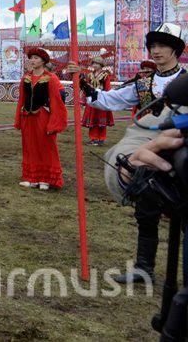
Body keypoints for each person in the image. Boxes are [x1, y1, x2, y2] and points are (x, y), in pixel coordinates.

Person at [68, 22, 186, 285]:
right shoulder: (143, 83)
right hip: (145, 148)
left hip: (180, 149)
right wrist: (82, 82)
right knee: (145, 209)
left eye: (163, 45)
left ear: (176, 49)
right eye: (153, 45)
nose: (156, 50)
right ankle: (144, 269)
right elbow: (110, 99)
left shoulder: (186, 81)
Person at [14, 48, 68, 190]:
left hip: (43, 116)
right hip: (27, 117)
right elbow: (21, 99)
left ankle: (45, 179)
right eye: (31, 58)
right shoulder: (25, 78)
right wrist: (18, 118)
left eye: (36, 58)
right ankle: (30, 177)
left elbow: (56, 101)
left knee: (46, 147)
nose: (32, 60)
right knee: (29, 147)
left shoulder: (51, 78)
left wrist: (54, 123)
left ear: (43, 61)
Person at [81, 57, 114, 146]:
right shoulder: (89, 75)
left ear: (101, 65)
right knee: (92, 120)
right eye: (93, 63)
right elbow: (86, 87)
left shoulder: (105, 75)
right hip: (91, 100)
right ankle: (93, 138)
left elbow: (107, 87)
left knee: (101, 120)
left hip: (101, 99)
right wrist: (84, 99)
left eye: (97, 63)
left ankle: (101, 138)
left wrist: (108, 98)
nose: (95, 65)